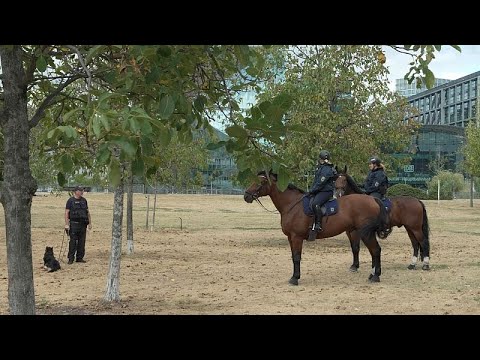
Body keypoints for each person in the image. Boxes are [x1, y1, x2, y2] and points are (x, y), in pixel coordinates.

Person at [307, 150, 337, 241]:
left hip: (326, 191)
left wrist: (312, 190)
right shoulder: (321, 168)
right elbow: (316, 182)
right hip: (320, 190)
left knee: (315, 204)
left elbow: (320, 183)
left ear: (321, 159)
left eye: (320, 159)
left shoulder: (327, 169)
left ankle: (318, 224)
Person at [65, 186, 92, 264]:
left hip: (83, 224)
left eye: (82, 190)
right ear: (76, 191)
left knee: (82, 242)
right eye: (80, 190)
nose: (82, 192)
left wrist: (90, 223)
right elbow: (66, 212)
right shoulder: (70, 201)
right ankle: (71, 258)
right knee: (73, 242)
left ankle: (79, 258)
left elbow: (87, 212)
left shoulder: (84, 200)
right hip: (74, 224)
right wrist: (67, 224)